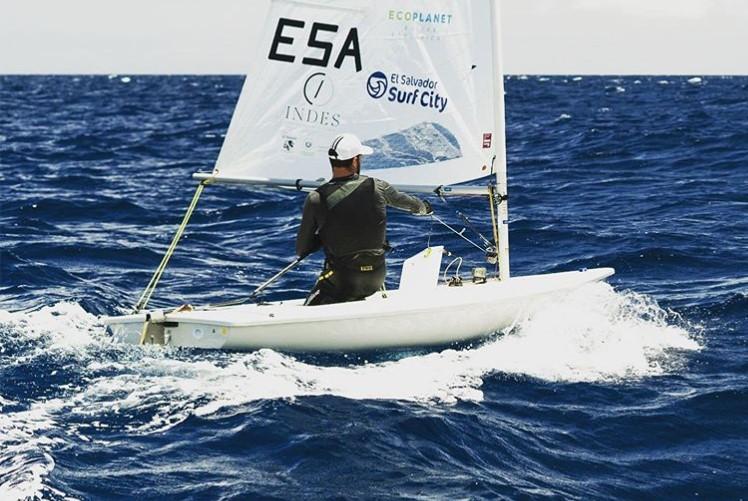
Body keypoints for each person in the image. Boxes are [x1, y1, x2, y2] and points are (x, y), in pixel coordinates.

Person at [296, 133, 432, 306]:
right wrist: (426, 208)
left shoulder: (317, 198)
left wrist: (325, 235)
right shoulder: (378, 186)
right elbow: (414, 205)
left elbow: (302, 249)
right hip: (376, 278)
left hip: (342, 281)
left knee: (312, 304)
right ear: (355, 160)